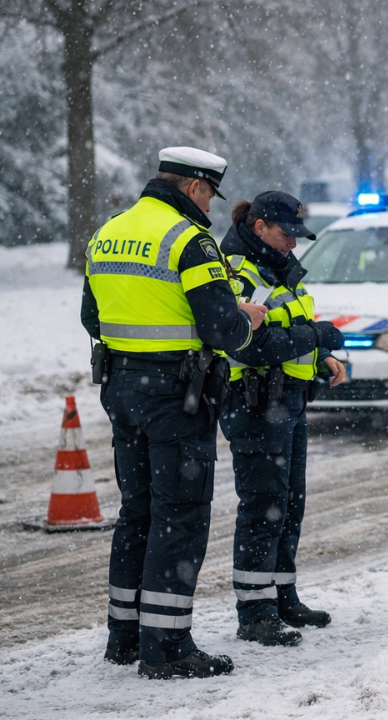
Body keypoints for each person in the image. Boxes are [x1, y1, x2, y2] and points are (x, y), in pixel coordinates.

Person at [82, 146, 268, 679]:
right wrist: (248, 318)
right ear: (193, 186)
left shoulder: (108, 231)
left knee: (137, 513)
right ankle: (166, 649)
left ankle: (125, 637)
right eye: (209, 194)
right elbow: (221, 329)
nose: (209, 206)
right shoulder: (190, 240)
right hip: (177, 395)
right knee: (180, 515)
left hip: (122, 387)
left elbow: (91, 317)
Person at [218, 191, 348, 646]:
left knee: (289, 504)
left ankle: (282, 596)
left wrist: (320, 356)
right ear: (259, 227)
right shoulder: (238, 272)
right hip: (254, 404)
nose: (293, 243)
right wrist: (315, 335)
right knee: (263, 507)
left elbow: (286, 328)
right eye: (286, 233)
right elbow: (250, 345)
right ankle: (255, 613)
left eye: (297, 235)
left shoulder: (278, 266)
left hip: (287, 400)